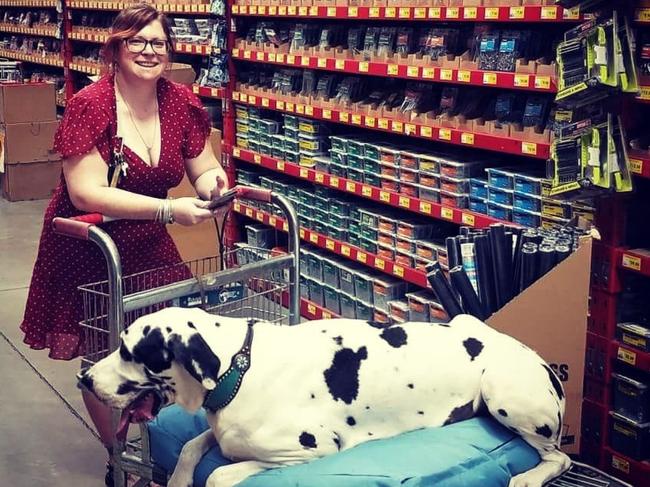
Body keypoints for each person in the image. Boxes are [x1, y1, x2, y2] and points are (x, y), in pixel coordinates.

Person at [19, 3, 228, 485]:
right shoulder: (91, 105)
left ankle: (162, 439)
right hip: (88, 242)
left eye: (158, 42)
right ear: (115, 48)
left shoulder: (179, 103)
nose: (148, 51)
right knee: (107, 356)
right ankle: (119, 459)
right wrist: (168, 209)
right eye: (137, 41)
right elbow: (85, 192)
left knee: (166, 343)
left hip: (147, 240)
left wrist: (216, 187)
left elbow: (204, 165)